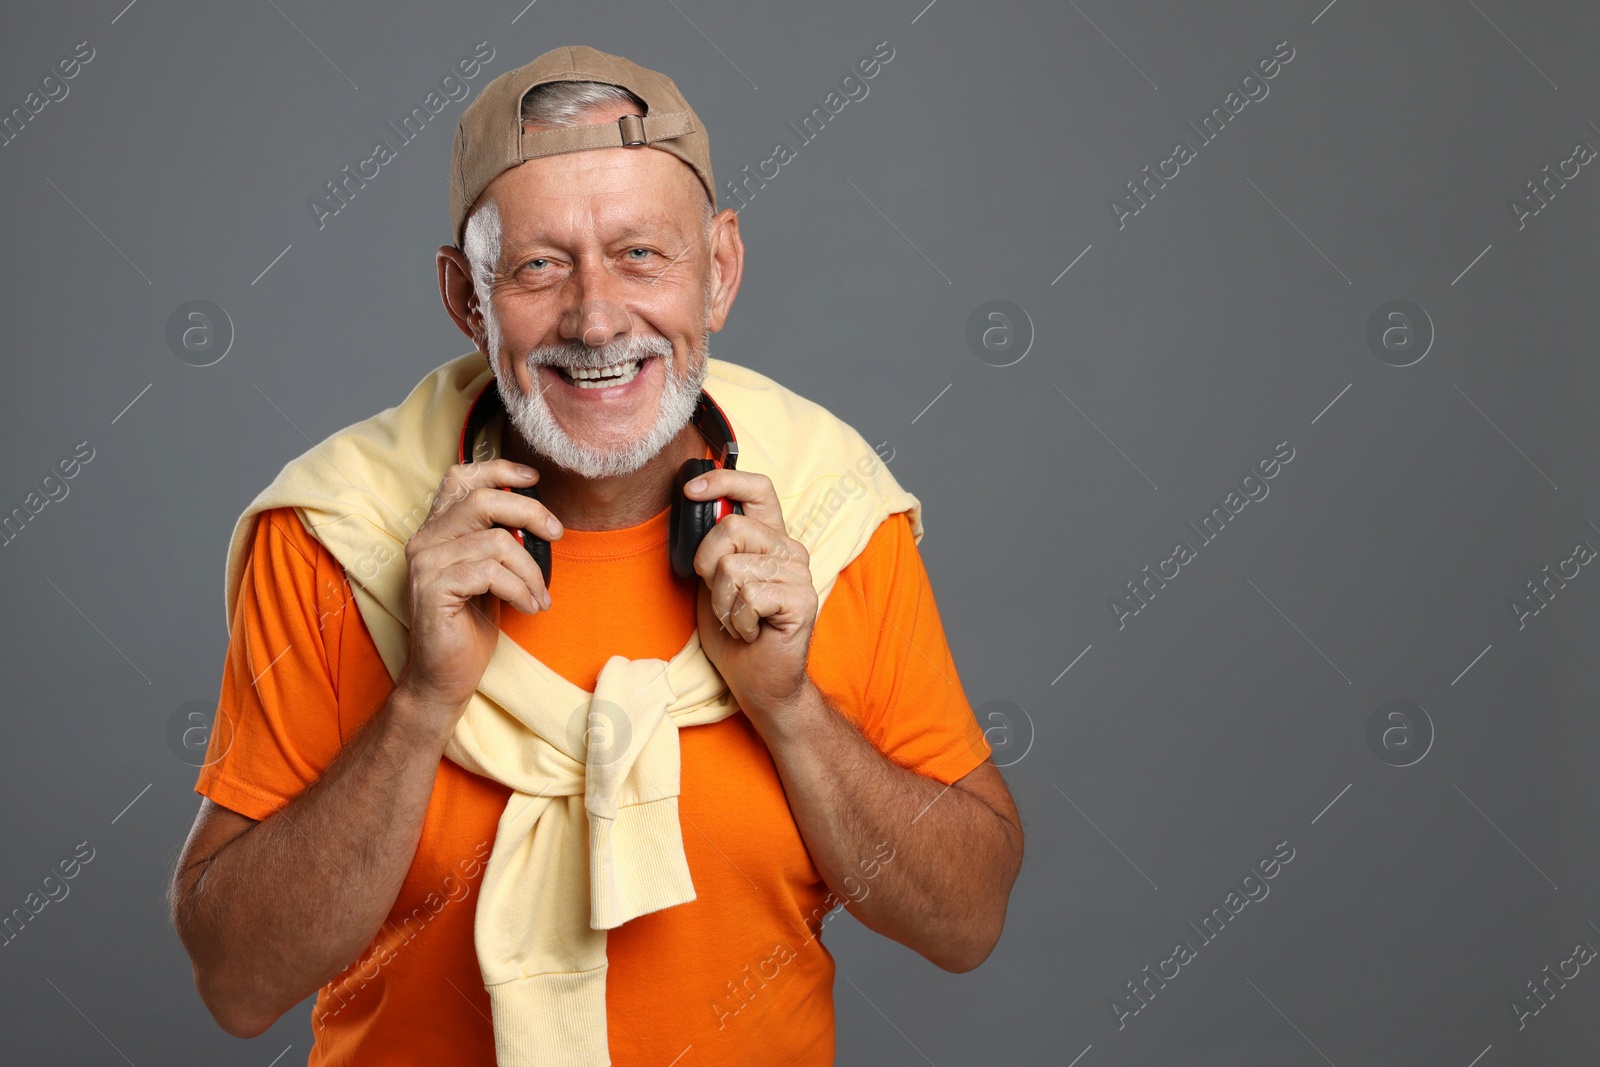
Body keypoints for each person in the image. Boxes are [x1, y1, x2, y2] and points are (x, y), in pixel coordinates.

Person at [168, 45, 1023, 1066]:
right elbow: (237, 982)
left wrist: (789, 708)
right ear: (465, 298)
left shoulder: (830, 515)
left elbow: (965, 921)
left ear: (721, 268)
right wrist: (419, 707)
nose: (596, 316)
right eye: (537, 265)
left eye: (640, 254)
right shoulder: (333, 533)